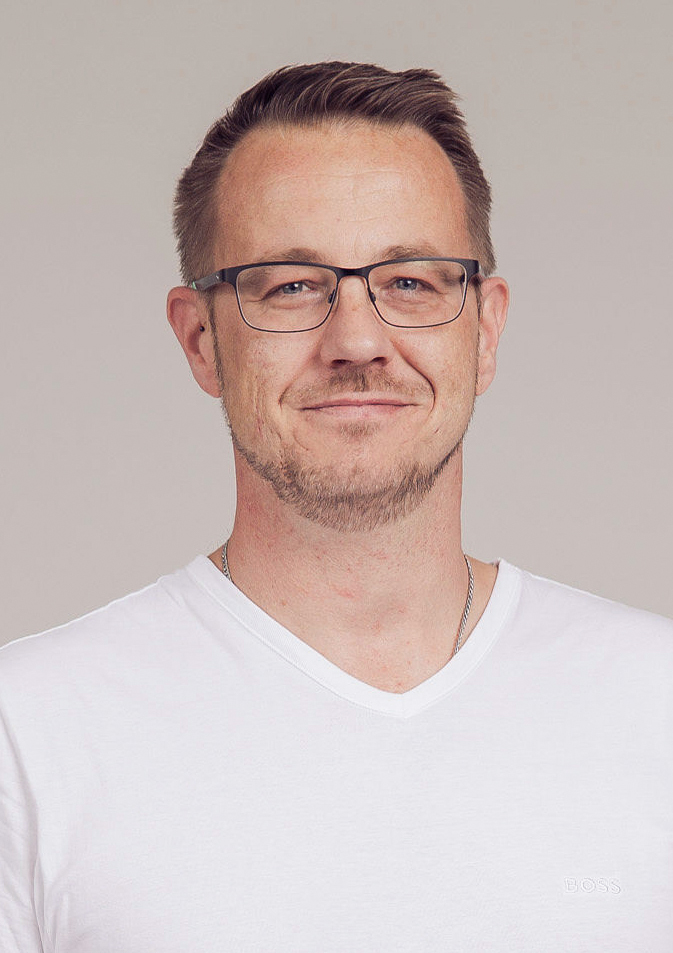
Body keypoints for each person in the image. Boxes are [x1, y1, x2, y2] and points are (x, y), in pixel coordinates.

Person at [1, 61, 671, 953]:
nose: (356, 341)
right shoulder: (30, 733)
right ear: (200, 339)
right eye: (290, 285)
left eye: (411, 282)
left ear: (484, 330)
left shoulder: (655, 704)